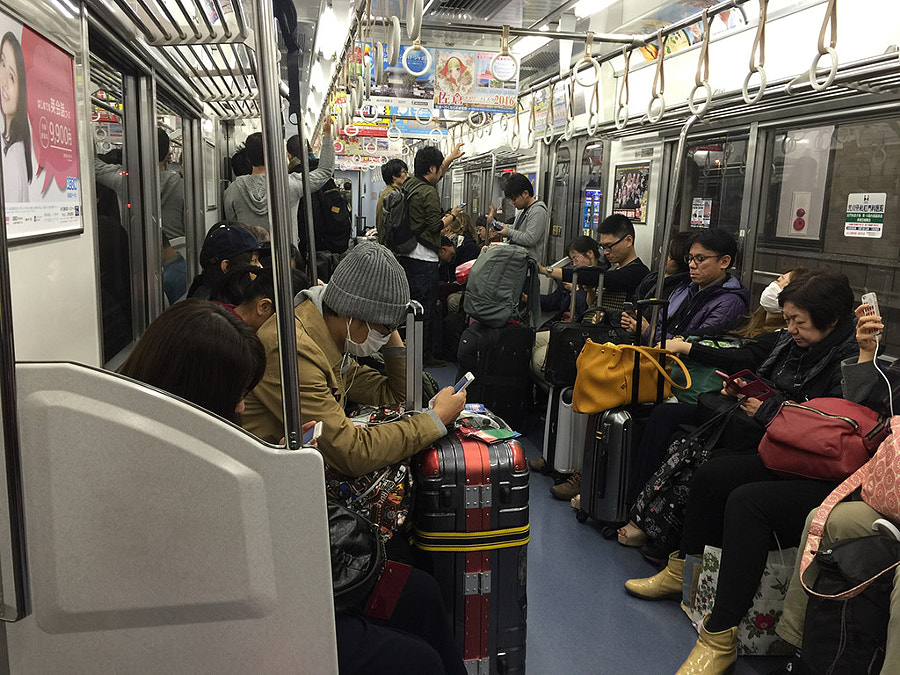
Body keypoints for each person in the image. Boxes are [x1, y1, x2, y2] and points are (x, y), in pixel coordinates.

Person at [119, 299, 465, 675]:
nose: (242, 405)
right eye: (236, 395)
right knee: (418, 662)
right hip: (246, 622)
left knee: (422, 594)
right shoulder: (163, 472)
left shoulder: (204, 437)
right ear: (201, 391)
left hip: (272, 578)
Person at [623, 271, 860, 675]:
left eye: (799, 322)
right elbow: (775, 386)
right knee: (712, 474)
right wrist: (747, 392)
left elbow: (831, 427)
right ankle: (683, 570)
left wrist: (768, 410)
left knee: (747, 501)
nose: (791, 330)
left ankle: (720, 636)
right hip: (782, 449)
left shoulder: (852, 360)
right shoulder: (792, 345)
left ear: (832, 320)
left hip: (823, 469)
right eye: (788, 320)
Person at [617, 268, 811, 548]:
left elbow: (744, 357)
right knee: (660, 414)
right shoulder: (759, 321)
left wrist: (686, 347)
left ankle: (660, 534)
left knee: (690, 446)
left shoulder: (780, 336)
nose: (774, 285)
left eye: (782, 282)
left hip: (753, 418)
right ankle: (634, 507)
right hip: (735, 404)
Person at [241, 241, 467, 477]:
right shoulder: (294, 350)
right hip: (266, 479)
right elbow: (352, 453)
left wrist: (388, 326)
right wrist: (435, 420)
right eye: (383, 330)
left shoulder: (329, 336)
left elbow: (396, 396)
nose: (387, 336)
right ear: (351, 317)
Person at [399, 144, 465, 367]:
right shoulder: (428, 193)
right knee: (424, 310)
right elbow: (435, 226)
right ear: (432, 169)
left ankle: (413, 352)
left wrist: (447, 160)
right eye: (439, 169)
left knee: (413, 308)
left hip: (408, 256)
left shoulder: (410, 184)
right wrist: (452, 216)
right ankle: (423, 357)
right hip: (424, 259)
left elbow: (434, 175)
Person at [634, 228, 749, 344]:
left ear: (724, 262)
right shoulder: (685, 288)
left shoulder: (730, 303)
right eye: (690, 258)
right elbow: (661, 322)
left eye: (700, 259)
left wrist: (648, 332)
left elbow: (695, 346)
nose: (692, 265)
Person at [223, 118, 335, 236]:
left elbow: (234, 224)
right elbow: (325, 171)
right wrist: (327, 134)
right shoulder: (289, 184)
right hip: (286, 253)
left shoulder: (233, 190)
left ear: (249, 158)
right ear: (273, 155)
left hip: (249, 253)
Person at [541, 214, 649, 313]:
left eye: (609, 246)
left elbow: (600, 277)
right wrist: (591, 293)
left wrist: (545, 270)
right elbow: (591, 304)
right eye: (603, 247)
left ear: (628, 241)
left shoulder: (638, 272)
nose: (606, 252)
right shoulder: (614, 269)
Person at [186, 222, 265, 299]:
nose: (260, 267)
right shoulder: (210, 308)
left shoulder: (232, 297)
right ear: (226, 267)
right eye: (253, 261)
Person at [489, 172, 549, 264]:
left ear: (525, 193)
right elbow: (515, 229)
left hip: (528, 265)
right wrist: (493, 223)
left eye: (514, 199)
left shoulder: (537, 211)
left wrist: (508, 232)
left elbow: (530, 239)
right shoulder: (523, 210)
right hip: (518, 262)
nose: (513, 203)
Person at [0, 32, 31, 202]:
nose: (3, 80)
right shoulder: (13, 144)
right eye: (2, 63)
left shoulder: (13, 153)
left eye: (11, 77)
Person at [376, 158, 409, 244]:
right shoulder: (393, 195)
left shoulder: (387, 192)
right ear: (394, 176)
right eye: (404, 172)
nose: (407, 175)